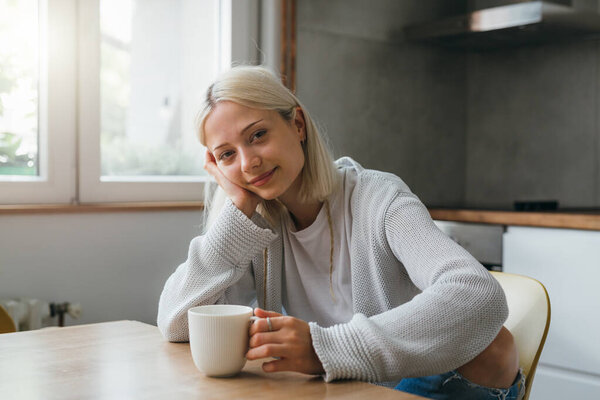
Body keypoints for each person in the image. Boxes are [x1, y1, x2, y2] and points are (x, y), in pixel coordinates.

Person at [157, 65, 525, 399]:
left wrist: (323, 348)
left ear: (297, 125)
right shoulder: (251, 225)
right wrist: (235, 208)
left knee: (494, 344)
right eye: (226, 155)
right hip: (336, 388)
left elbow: (479, 294)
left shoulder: (378, 197)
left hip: (421, 379)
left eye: (257, 135)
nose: (248, 162)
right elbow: (176, 322)